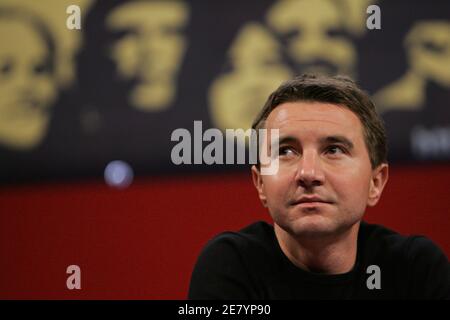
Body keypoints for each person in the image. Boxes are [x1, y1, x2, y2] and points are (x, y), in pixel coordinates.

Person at [188, 74, 450, 299]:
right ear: (260, 184)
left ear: (375, 182)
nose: (308, 173)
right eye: (287, 151)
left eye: (334, 150)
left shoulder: (416, 270)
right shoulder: (231, 266)